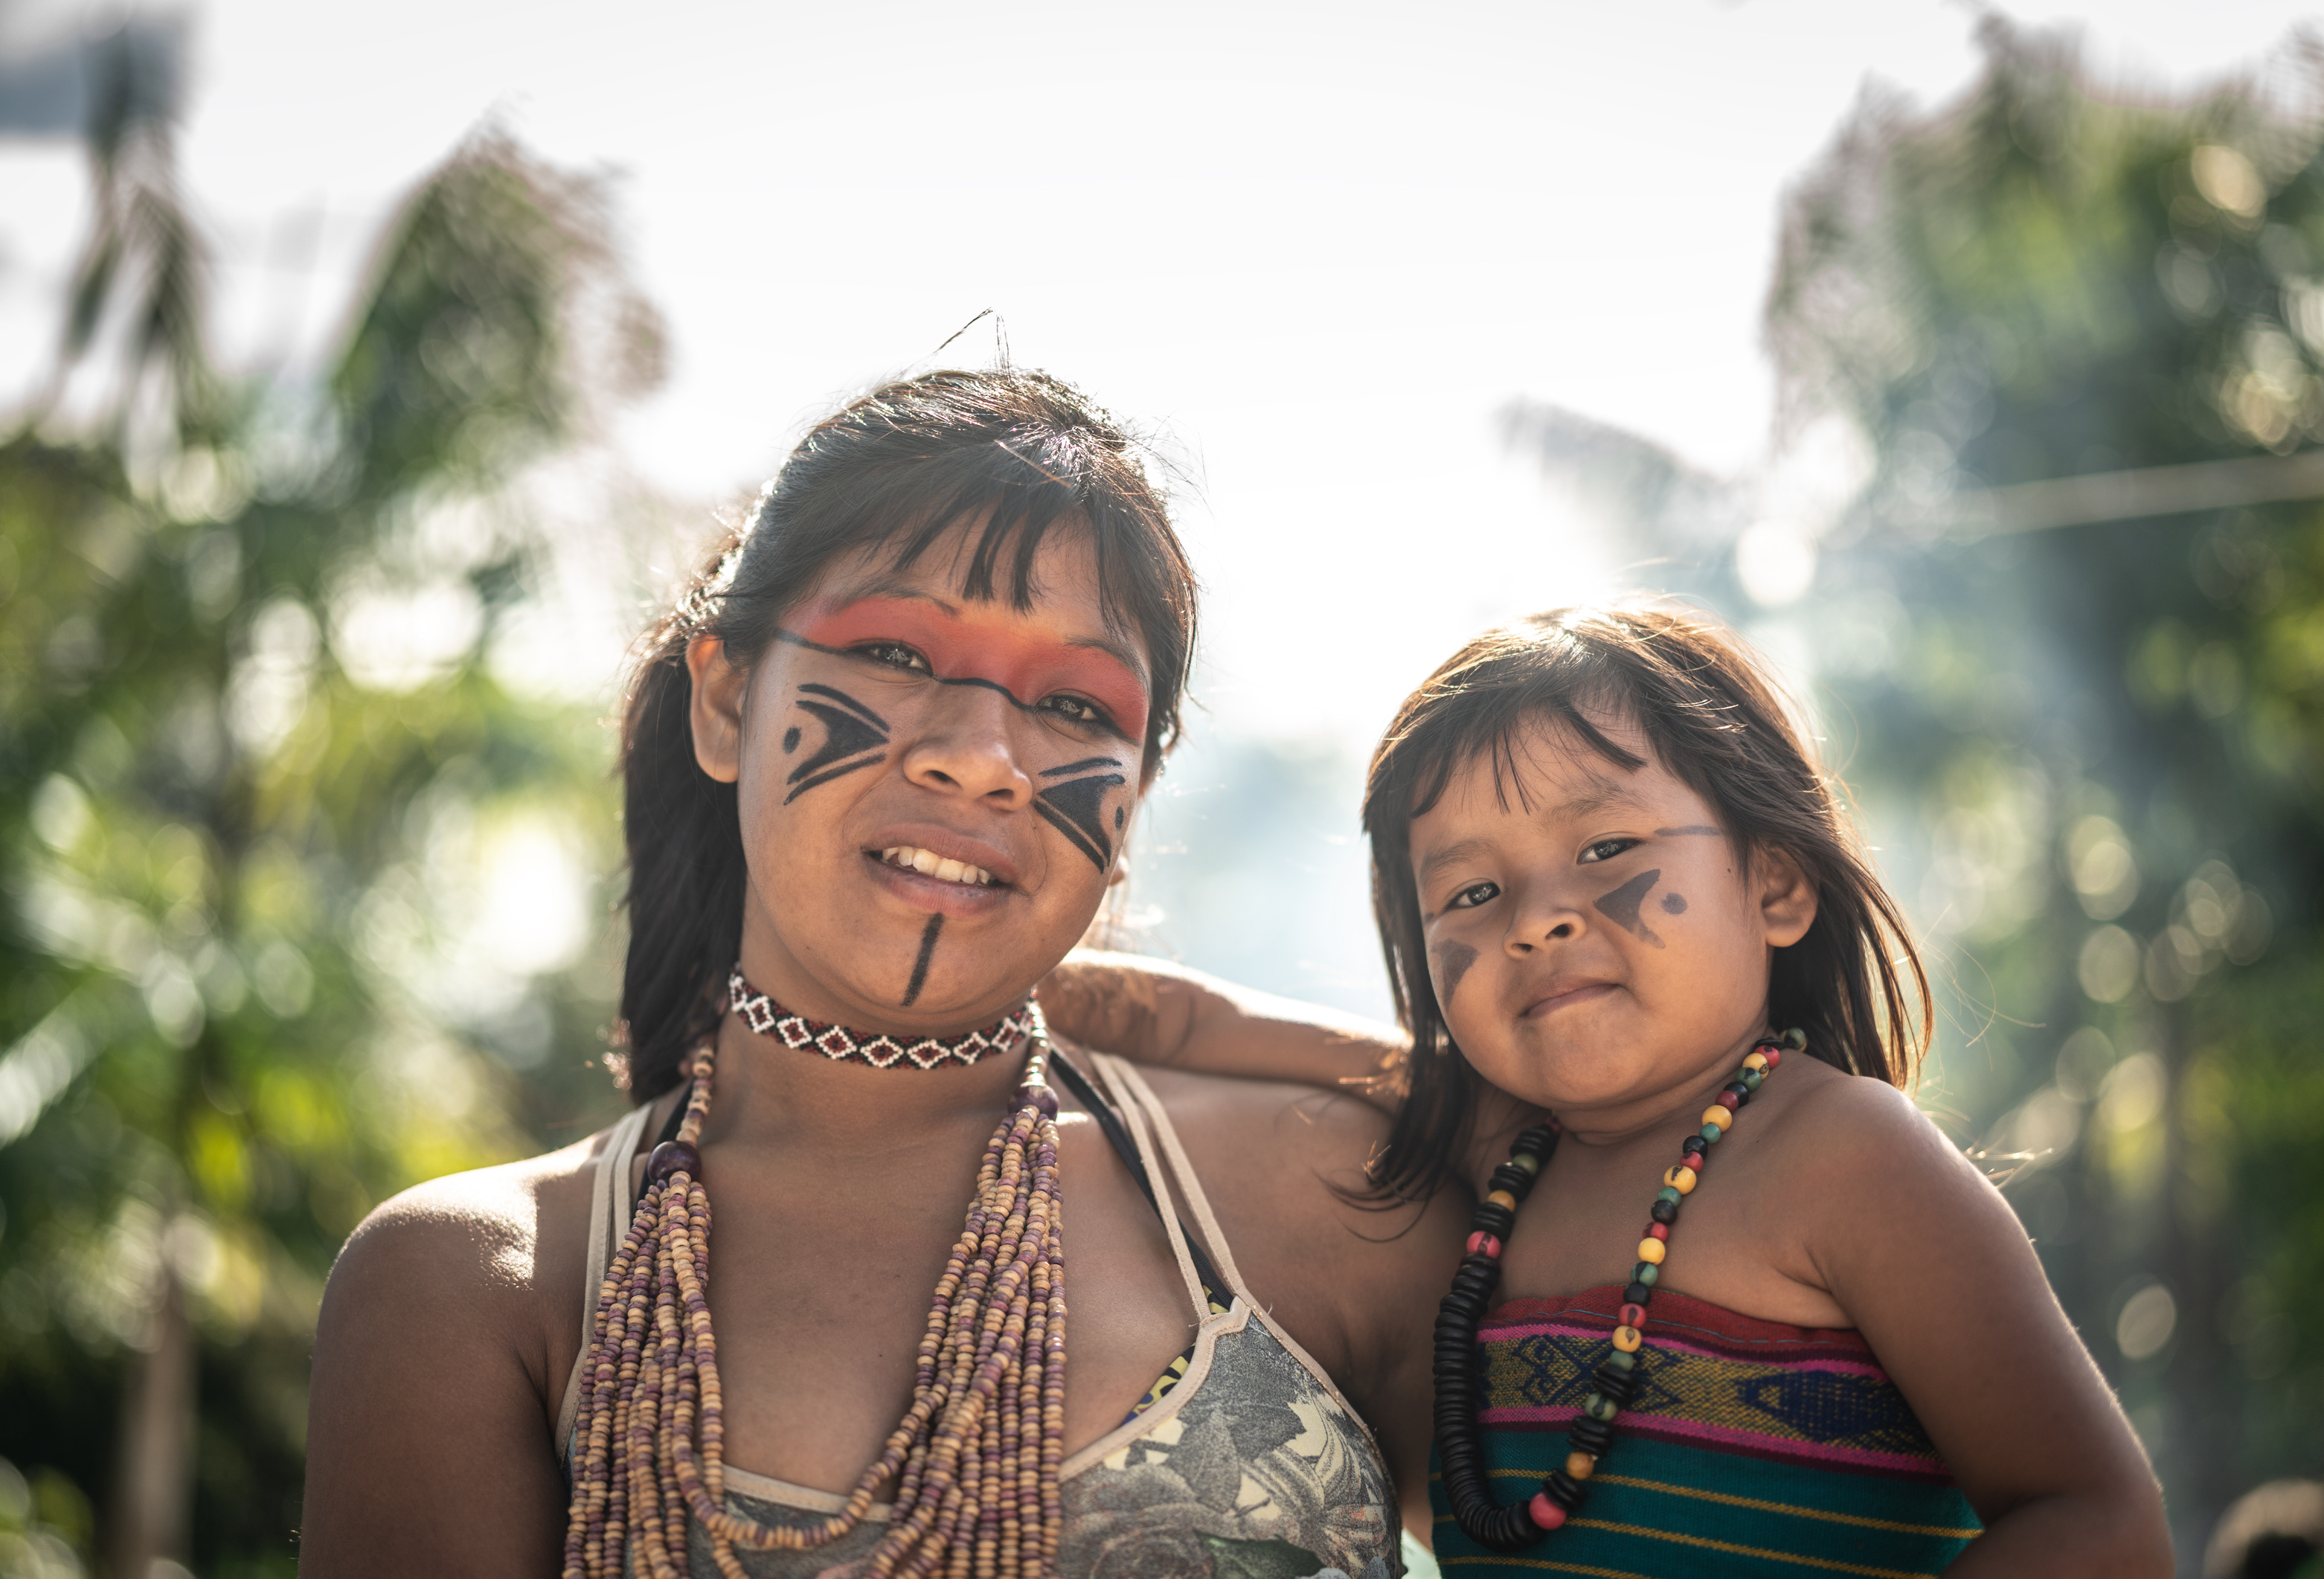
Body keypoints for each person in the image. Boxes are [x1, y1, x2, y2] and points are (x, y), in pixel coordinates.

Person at [297, 369, 1461, 1579]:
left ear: (1131, 803)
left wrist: (1335, 1061)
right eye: (899, 650)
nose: (981, 759)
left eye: (1072, 702)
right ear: (725, 699)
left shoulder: (1330, 1203)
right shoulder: (478, 1289)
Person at [1050, 606, 2175, 1576]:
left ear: (1774, 882)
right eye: (1472, 889)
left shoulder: (1847, 1157)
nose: (1535, 915)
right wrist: (964, 981)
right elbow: (1197, 1025)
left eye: (1604, 846)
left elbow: (2100, 1519)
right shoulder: (1490, 1153)